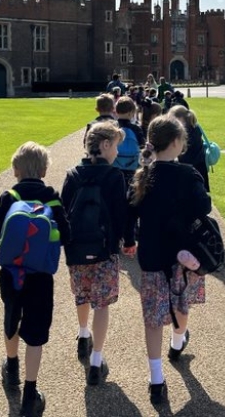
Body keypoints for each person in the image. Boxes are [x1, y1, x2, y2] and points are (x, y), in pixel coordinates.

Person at [126, 115, 211, 405]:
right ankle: (177, 341)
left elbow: (130, 213)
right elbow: (204, 206)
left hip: (152, 254)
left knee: (152, 318)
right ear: (176, 143)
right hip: (184, 255)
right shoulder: (188, 174)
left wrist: (129, 240)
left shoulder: (143, 175)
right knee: (181, 303)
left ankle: (156, 380)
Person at [0, 142, 70, 417]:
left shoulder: (9, 196)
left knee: (12, 316)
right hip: (41, 276)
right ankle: (30, 394)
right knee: (36, 332)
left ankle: (12, 368)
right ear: (44, 169)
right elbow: (66, 237)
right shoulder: (53, 197)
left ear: (15, 169)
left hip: (11, 273)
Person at [61, 121, 130, 386]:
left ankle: (82, 334)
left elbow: (63, 212)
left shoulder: (72, 174)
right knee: (102, 303)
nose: (117, 153)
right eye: (116, 146)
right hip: (105, 250)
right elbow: (121, 215)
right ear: (105, 145)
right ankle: (96, 359)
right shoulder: (114, 176)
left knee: (82, 294)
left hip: (77, 249)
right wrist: (128, 241)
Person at [168, 105, 209, 192]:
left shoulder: (187, 131)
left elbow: (184, 150)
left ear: (180, 118)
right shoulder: (193, 127)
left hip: (192, 165)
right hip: (197, 164)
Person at [113, 97, 146, 186]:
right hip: (133, 166)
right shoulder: (136, 129)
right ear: (131, 113)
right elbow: (142, 146)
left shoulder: (112, 127)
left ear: (116, 111)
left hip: (115, 165)